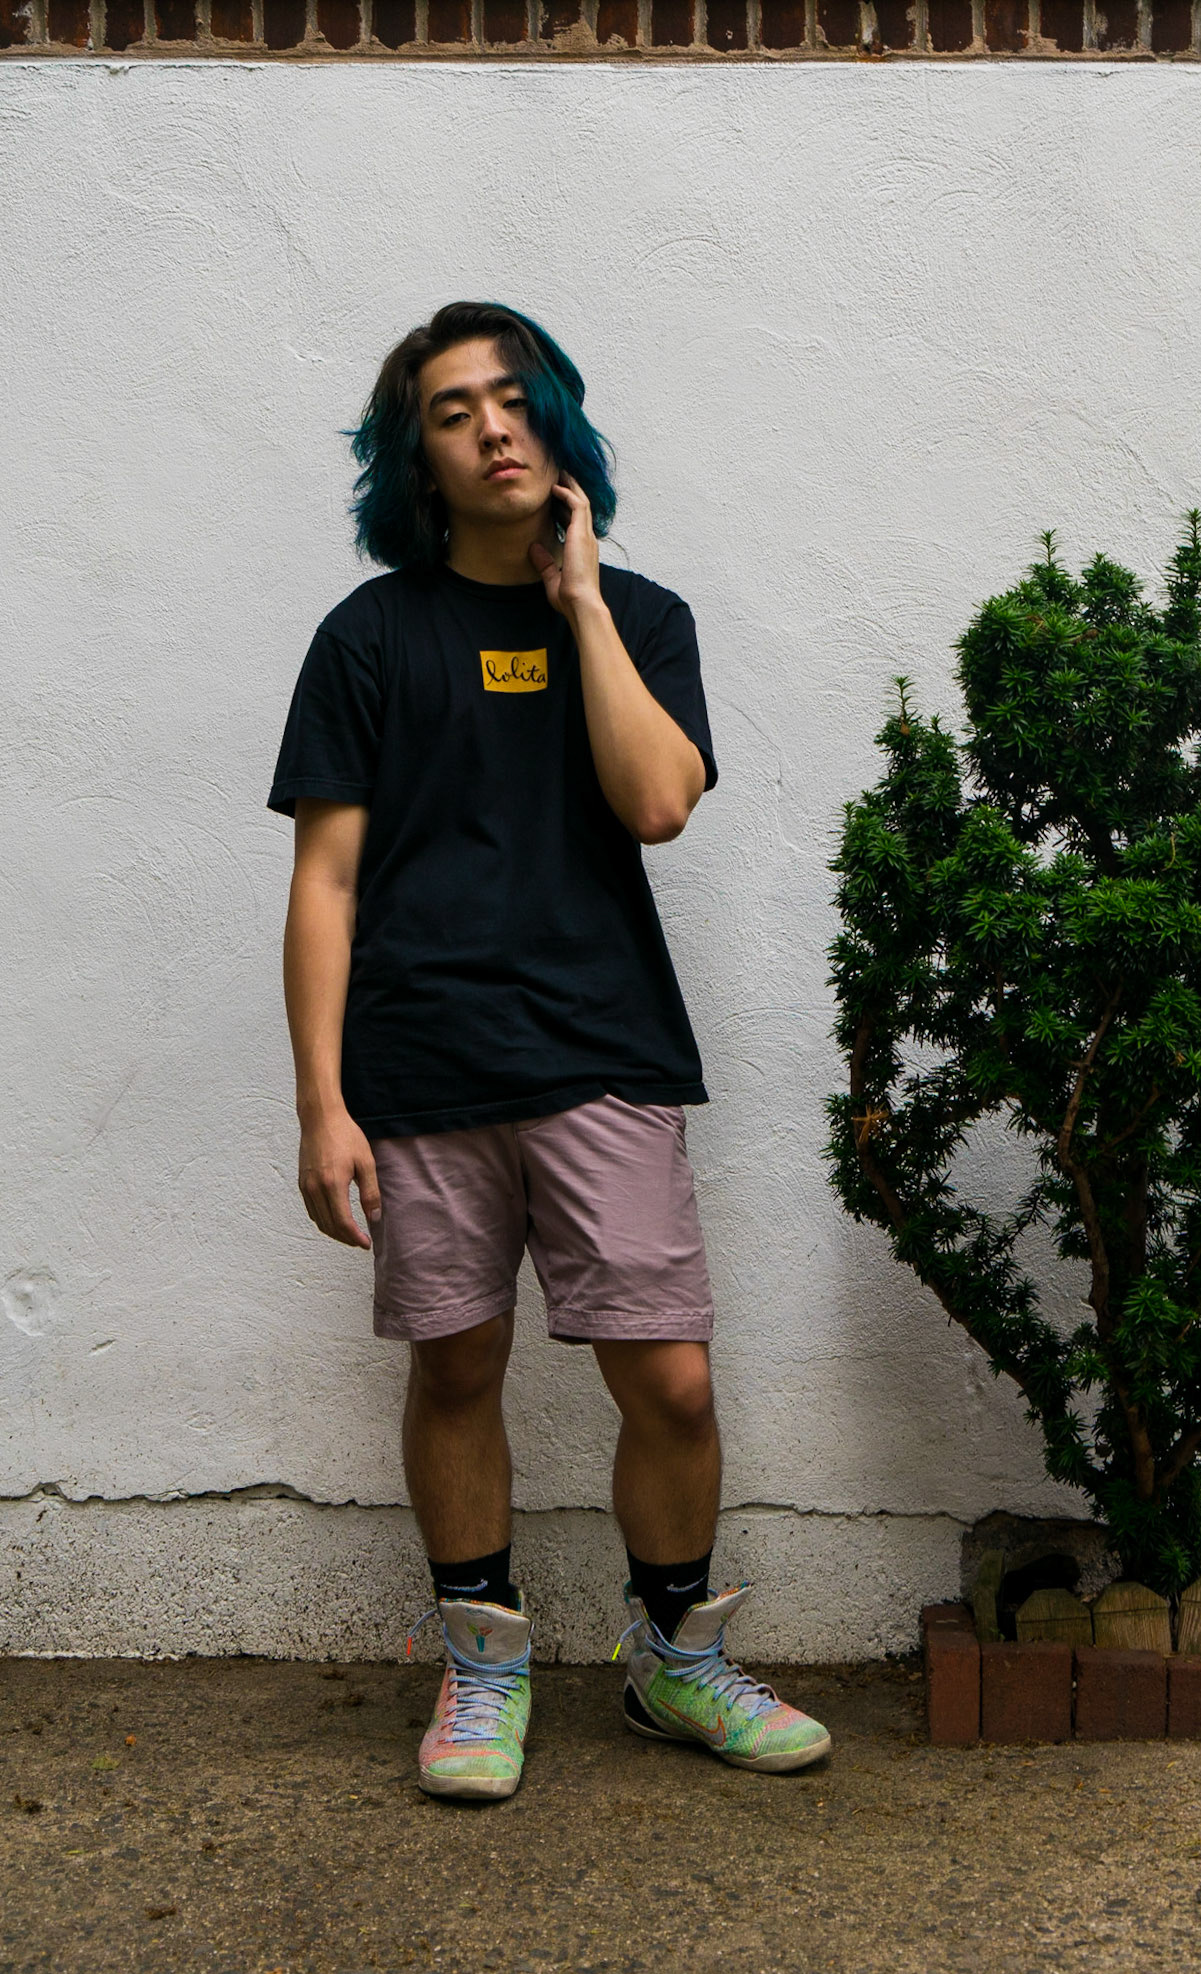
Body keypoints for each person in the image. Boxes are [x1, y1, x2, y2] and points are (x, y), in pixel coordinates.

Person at [268, 300, 830, 1801]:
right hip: (422, 1059)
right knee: (457, 1366)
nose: (491, 430)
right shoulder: (369, 636)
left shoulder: (643, 619)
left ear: (556, 420)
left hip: (601, 1050)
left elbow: (657, 804)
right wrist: (322, 1105)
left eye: (512, 399)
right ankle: (483, 1668)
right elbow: (324, 884)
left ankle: (674, 1663)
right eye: (451, 412)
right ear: (417, 457)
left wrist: (577, 603)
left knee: (673, 1385)